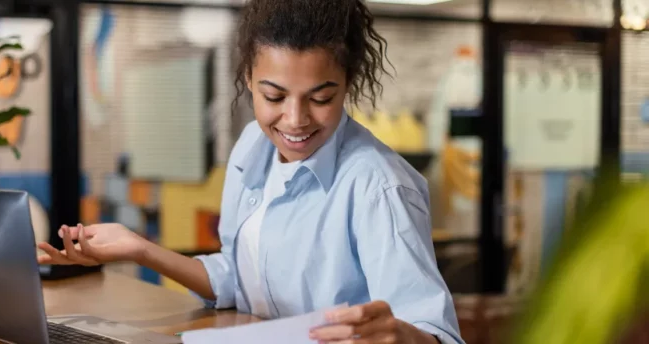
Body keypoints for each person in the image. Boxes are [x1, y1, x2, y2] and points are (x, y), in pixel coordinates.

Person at [38, 0, 464, 343]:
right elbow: (236, 277)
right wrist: (140, 249)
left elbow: (436, 333)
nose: (295, 120)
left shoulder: (378, 185)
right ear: (248, 78)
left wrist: (408, 338)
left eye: (321, 97)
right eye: (274, 96)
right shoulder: (252, 147)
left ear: (347, 83)